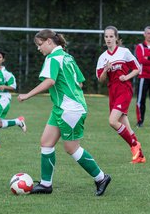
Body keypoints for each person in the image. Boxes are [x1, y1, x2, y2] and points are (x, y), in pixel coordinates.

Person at [18, 29, 111, 196]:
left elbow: (50, 81)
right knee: (46, 142)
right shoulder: (68, 57)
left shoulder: (52, 58)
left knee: (72, 148)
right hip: (62, 108)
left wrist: (27, 95)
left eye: (40, 45)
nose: (39, 49)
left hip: (70, 110)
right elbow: (80, 83)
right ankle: (46, 185)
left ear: (48, 41)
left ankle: (101, 177)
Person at [96, 25, 146, 164]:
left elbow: (137, 68)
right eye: (106, 36)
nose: (109, 39)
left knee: (112, 121)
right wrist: (106, 70)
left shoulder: (124, 52)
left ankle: (134, 145)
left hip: (124, 90)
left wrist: (127, 77)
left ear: (116, 38)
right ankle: (140, 155)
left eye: (111, 36)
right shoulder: (103, 57)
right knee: (126, 126)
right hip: (113, 92)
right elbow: (101, 79)